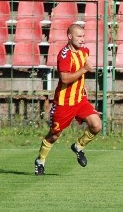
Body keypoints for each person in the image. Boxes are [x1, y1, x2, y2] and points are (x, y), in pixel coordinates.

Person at [34, 23, 102, 175]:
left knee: (96, 125)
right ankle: (40, 161)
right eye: (79, 36)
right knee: (54, 134)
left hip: (80, 100)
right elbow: (64, 78)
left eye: (83, 36)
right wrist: (84, 70)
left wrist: (83, 84)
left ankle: (78, 146)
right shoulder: (64, 55)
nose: (82, 39)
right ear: (70, 37)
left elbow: (79, 74)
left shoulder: (85, 51)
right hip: (64, 103)